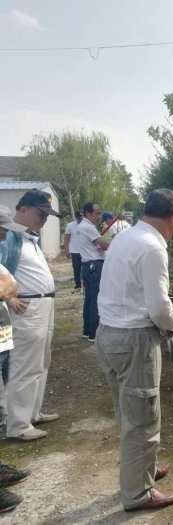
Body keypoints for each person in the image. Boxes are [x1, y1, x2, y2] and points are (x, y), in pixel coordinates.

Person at [96, 189, 173, 512]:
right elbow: (159, 308)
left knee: (128, 410)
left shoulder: (125, 237)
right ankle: (138, 493)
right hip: (134, 339)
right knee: (143, 418)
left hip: (108, 334)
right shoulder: (152, 248)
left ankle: (143, 467)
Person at [0, 190, 60, 441]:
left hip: (43, 305)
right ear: (23, 209)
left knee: (41, 362)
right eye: (40, 214)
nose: (44, 220)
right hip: (27, 308)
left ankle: (32, 412)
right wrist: (9, 298)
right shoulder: (7, 238)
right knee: (24, 365)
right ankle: (18, 424)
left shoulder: (28, 238)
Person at [0, 207, 32, 513]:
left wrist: (5, 289)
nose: (4, 236)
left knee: (1, 391)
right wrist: (4, 288)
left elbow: (10, 284)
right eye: (1, 229)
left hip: (1, 330)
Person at [75, 203, 109, 342]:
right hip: (95, 265)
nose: (99, 216)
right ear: (88, 213)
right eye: (97, 213)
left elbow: (95, 245)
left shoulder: (81, 226)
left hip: (87, 265)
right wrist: (118, 241)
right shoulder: (88, 227)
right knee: (95, 299)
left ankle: (87, 330)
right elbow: (104, 245)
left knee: (89, 298)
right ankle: (94, 332)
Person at [63, 212, 82, 290]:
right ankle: (78, 285)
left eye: (82, 217)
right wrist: (66, 250)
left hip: (85, 251)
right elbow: (66, 239)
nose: (80, 218)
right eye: (79, 217)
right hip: (75, 251)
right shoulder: (70, 225)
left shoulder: (87, 225)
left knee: (86, 269)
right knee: (76, 269)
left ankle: (86, 285)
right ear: (76, 217)